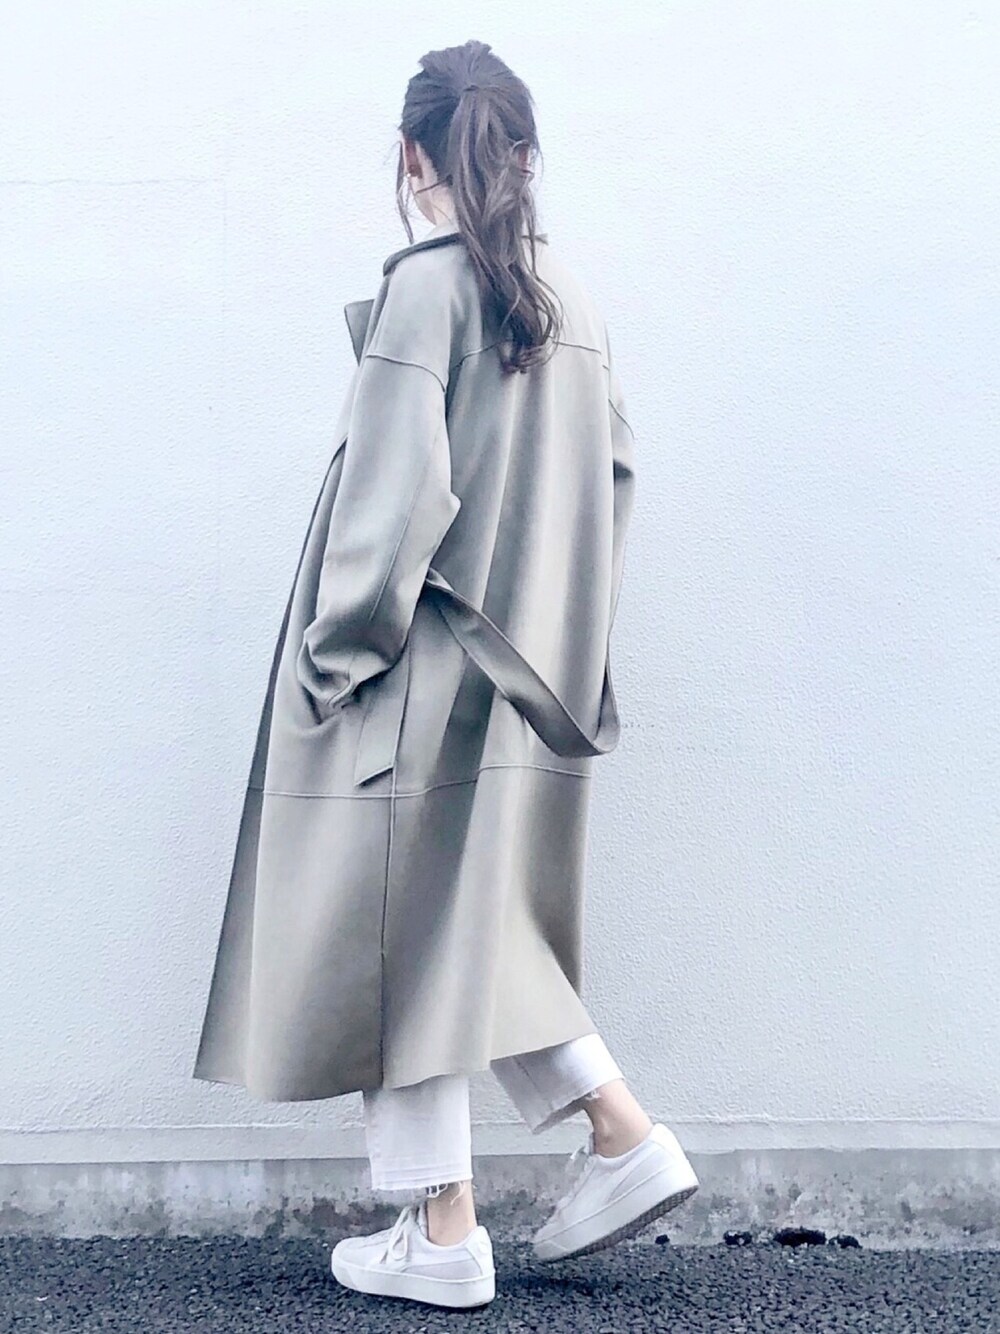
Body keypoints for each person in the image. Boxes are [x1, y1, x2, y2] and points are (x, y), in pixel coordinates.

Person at [192, 37, 698, 1311]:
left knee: (394, 929)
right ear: (522, 155)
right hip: (515, 674)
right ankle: (620, 1133)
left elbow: (391, 497)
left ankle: (441, 1224)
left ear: (411, 153)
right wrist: (556, 641)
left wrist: (335, 654)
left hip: (412, 664)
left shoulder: (428, 290)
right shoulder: (568, 300)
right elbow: (611, 488)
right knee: (467, 927)